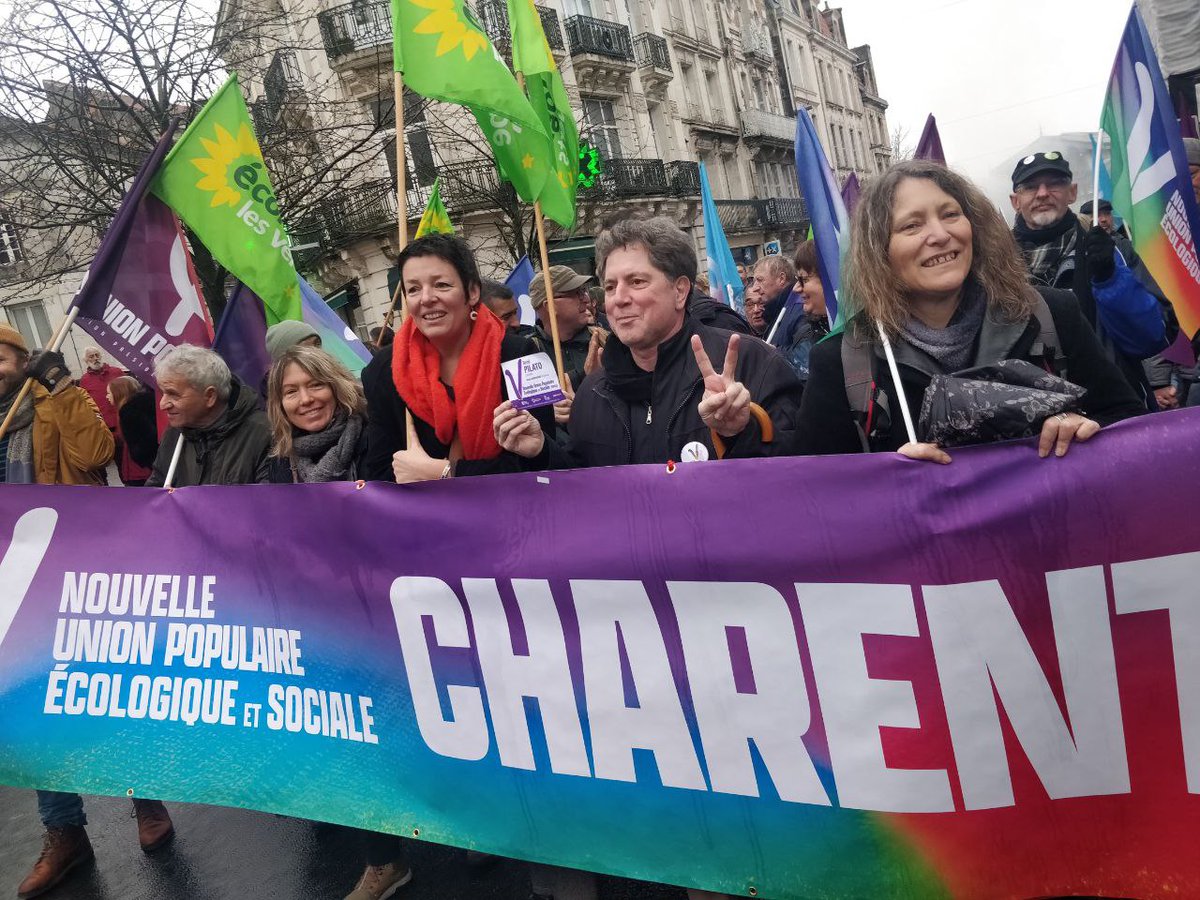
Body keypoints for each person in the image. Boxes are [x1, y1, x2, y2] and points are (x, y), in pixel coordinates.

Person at [797, 160, 1145, 461]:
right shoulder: (840, 362)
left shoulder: (1052, 314)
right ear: (880, 250)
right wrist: (886, 476)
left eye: (950, 215)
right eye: (911, 225)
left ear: (974, 227)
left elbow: (1130, 421)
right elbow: (817, 494)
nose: (939, 234)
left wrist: (1085, 426)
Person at [494, 214, 803, 468]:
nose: (619, 299)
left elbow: (800, 480)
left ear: (680, 291)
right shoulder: (593, 392)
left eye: (637, 282)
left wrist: (738, 433)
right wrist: (541, 452)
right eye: (611, 286)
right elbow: (583, 493)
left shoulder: (755, 365)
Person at [361, 233, 555, 483]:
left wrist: (444, 473)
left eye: (441, 285)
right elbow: (379, 475)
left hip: (510, 515)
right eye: (413, 289)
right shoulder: (383, 370)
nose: (426, 298)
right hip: (425, 519)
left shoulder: (524, 356)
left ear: (472, 291)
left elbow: (546, 463)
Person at [1009, 150, 1171, 408]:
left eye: (1054, 184)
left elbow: (1151, 338)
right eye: (1030, 187)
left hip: (1112, 410)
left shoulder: (1112, 249)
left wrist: (1110, 280)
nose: (1042, 193)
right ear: (1015, 200)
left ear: (1072, 192)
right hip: (1033, 419)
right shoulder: (995, 263)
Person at [145, 344, 271, 487]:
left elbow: (269, 504)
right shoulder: (175, 433)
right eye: (163, 393)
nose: (163, 405)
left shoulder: (264, 434)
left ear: (210, 396)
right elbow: (155, 496)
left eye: (173, 394)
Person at [0, 326, 112, 485]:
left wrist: (61, 386)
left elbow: (95, 457)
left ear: (25, 361)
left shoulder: (63, 398)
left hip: (59, 508)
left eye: (0, 360)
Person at [260, 344, 370, 484]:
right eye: (291, 392)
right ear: (280, 404)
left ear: (337, 388)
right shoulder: (281, 458)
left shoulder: (373, 439)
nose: (306, 399)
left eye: (316, 385)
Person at [529, 265, 606, 392]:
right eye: (577, 293)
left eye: (584, 291)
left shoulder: (605, 340)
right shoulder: (529, 355)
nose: (586, 299)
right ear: (550, 306)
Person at [767, 240, 830, 383]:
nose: (796, 288)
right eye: (797, 279)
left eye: (803, 280)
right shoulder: (809, 330)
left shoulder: (865, 338)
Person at [108, 375, 156, 486]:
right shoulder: (128, 410)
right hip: (136, 468)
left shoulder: (130, 413)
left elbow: (142, 444)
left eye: (109, 393)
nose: (107, 396)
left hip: (140, 471)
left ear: (118, 393)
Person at [78, 346, 123, 434]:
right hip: (104, 426)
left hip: (123, 419)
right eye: (91, 357)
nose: (95, 358)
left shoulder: (117, 372)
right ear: (86, 361)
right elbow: (85, 404)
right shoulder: (84, 380)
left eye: (97, 355)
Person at [754, 255, 797, 340]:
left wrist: (771, 351)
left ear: (781, 279)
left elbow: (805, 351)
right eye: (754, 281)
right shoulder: (774, 311)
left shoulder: (799, 308)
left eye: (760, 280)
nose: (755, 287)